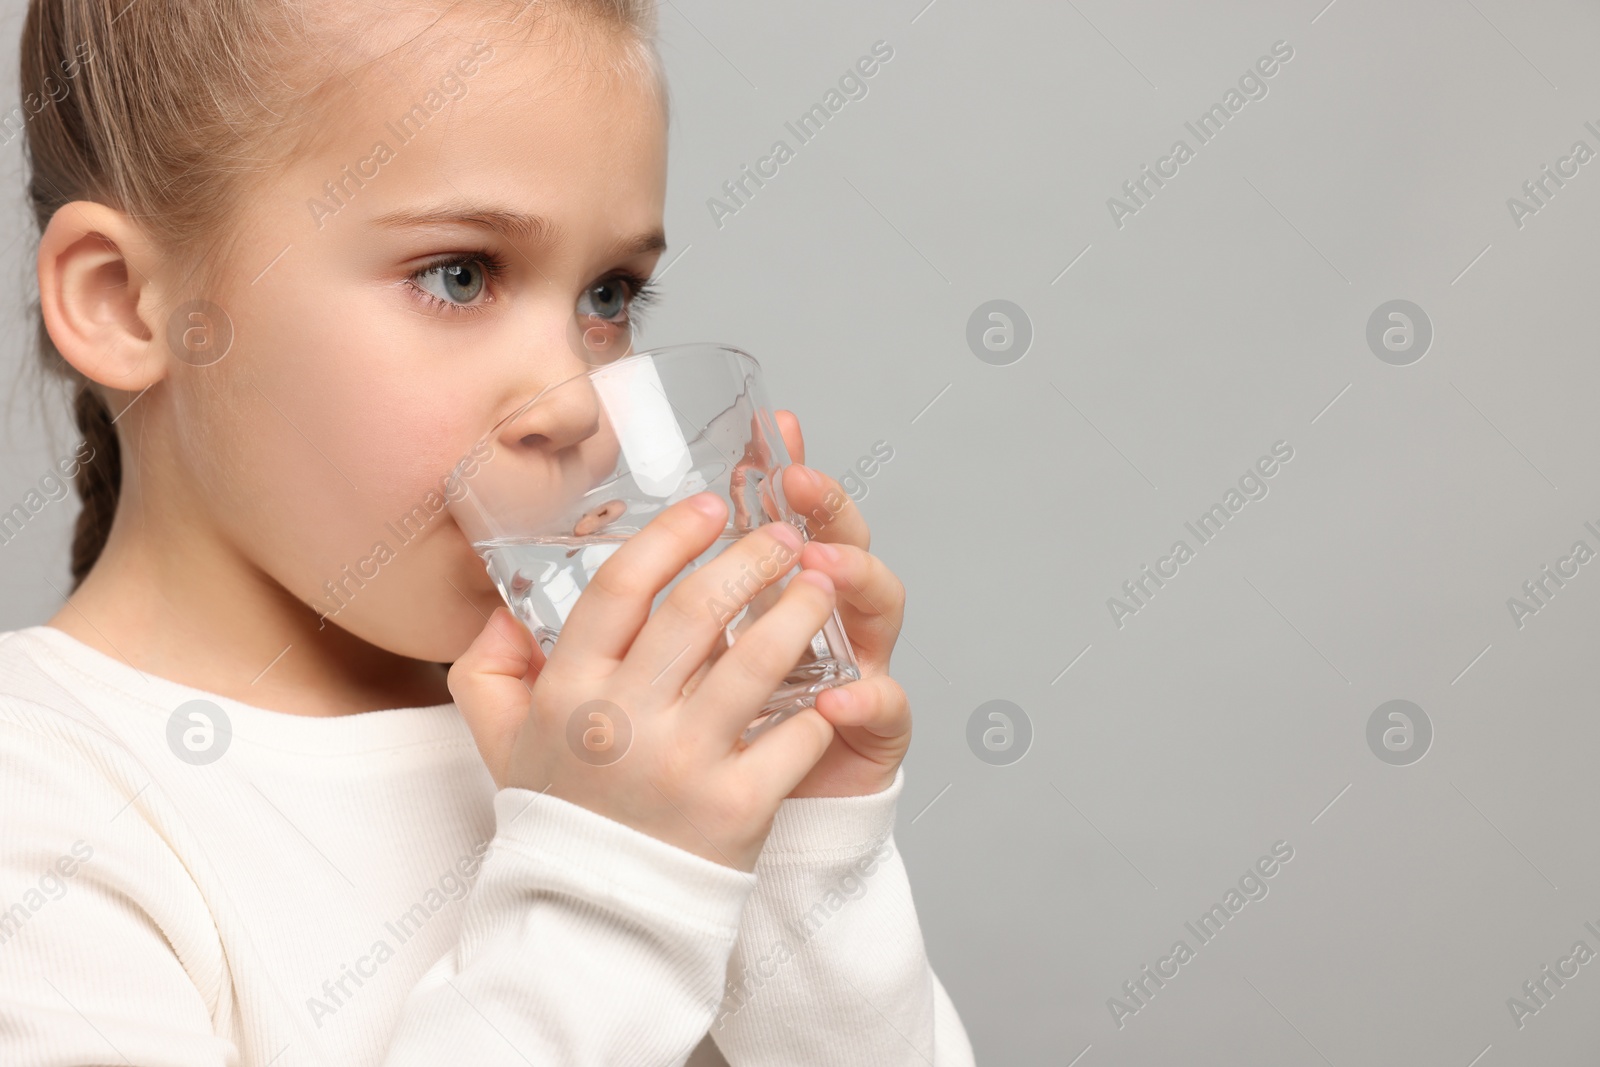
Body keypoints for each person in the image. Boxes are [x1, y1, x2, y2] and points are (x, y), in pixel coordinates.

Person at [0, 0, 976, 1064]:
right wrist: (612, 887)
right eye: (457, 274)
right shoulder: (42, 803)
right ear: (125, 302)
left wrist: (806, 844)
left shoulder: (608, 745)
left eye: (608, 297)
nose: (574, 399)